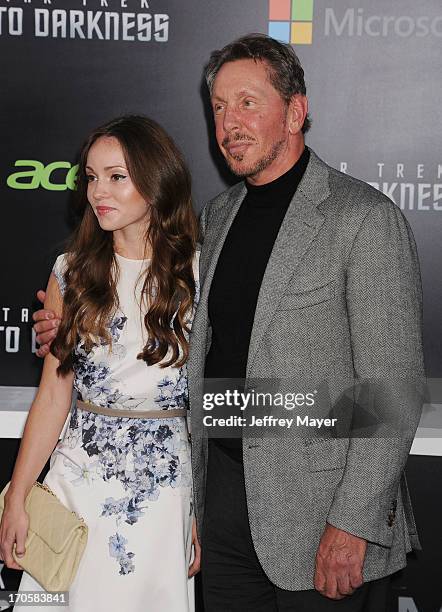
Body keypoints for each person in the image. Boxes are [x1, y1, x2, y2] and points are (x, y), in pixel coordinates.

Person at [32, 35, 425, 612]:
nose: (229, 122)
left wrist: (354, 523)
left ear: (296, 111)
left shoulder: (362, 220)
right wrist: (68, 324)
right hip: (218, 514)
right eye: (218, 106)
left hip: (321, 522)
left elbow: (392, 390)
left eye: (247, 102)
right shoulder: (213, 222)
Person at [0, 115, 201, 612]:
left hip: (165, 492)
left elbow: (209, 399)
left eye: (116, 177)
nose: (97, 192)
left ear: (155, 182)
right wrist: (18, 496)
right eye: (91, 177)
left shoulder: (201, 272)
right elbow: (53, 395)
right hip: (76, 485)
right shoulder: (71, 272)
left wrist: (203, 510)